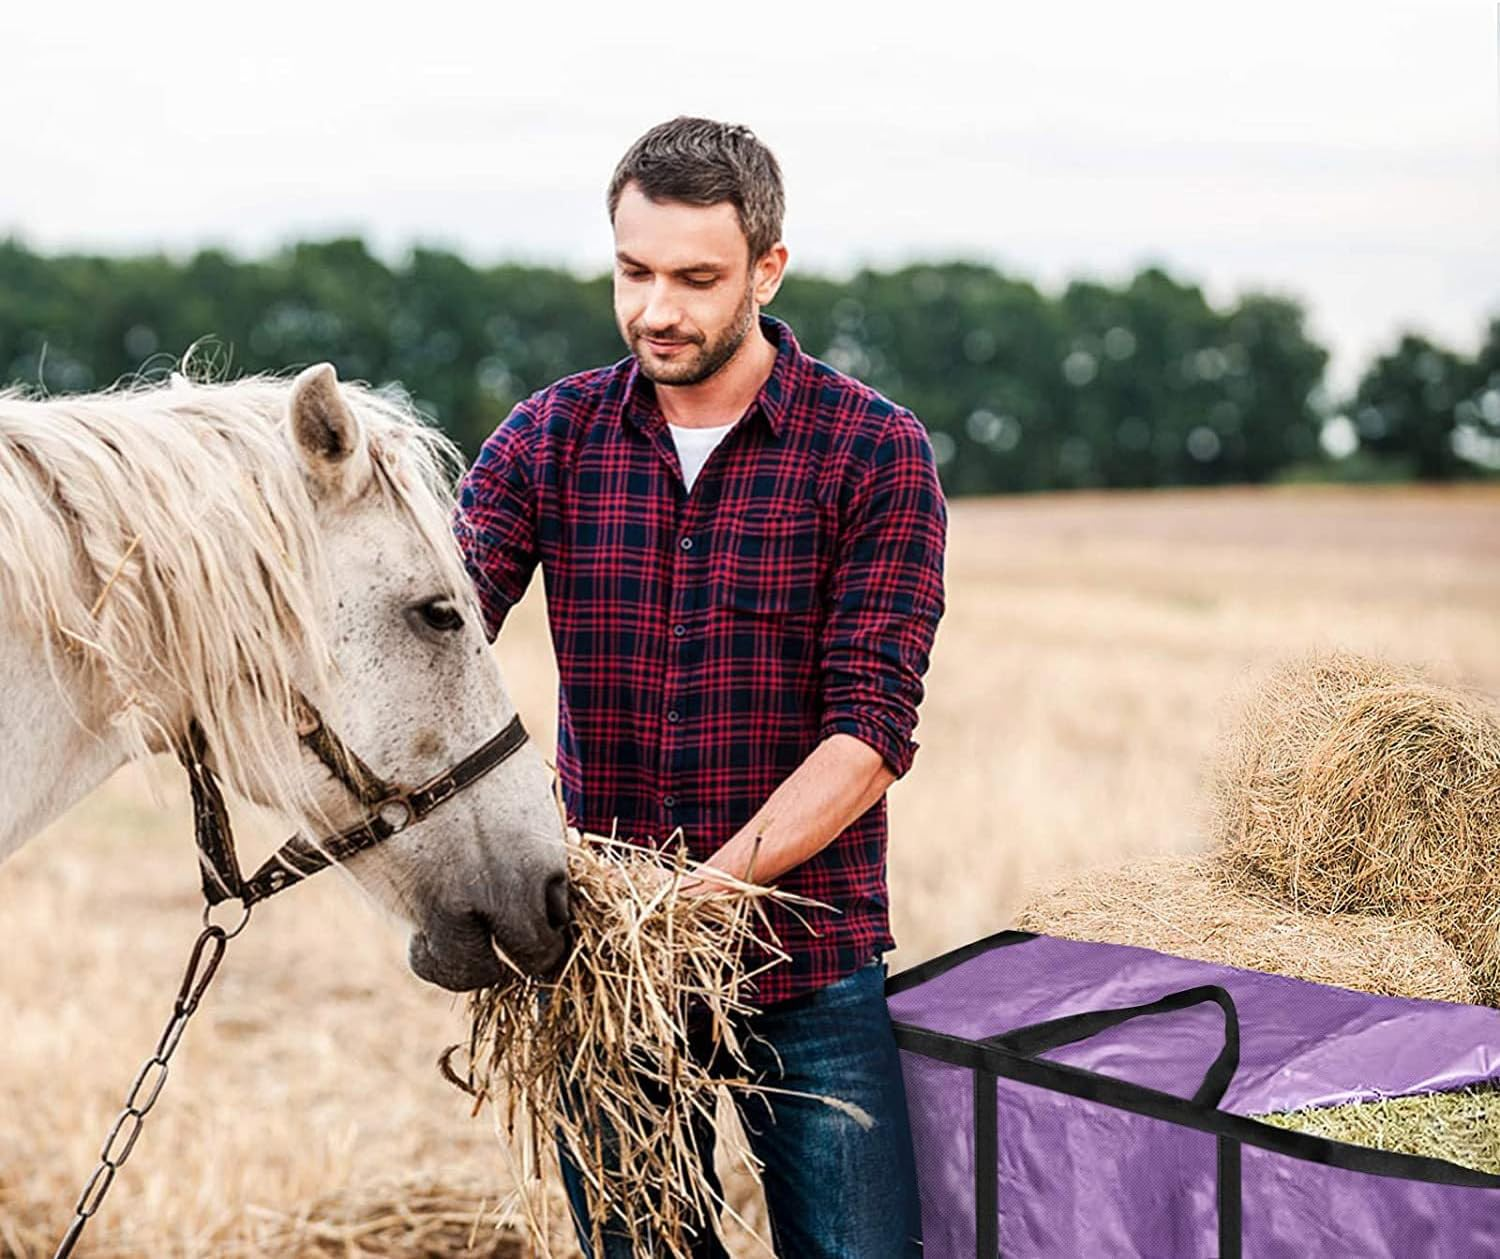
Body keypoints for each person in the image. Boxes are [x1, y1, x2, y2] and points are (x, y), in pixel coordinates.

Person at [453, 115, 946, 1258]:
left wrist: (700, 899)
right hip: (608, 975)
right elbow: (440, 636)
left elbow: (868, 729)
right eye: (633, 271)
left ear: (767, 269)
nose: (657, 310)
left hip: (807, 965)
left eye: (695, 277)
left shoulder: (874, 452)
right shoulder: (548, 437)